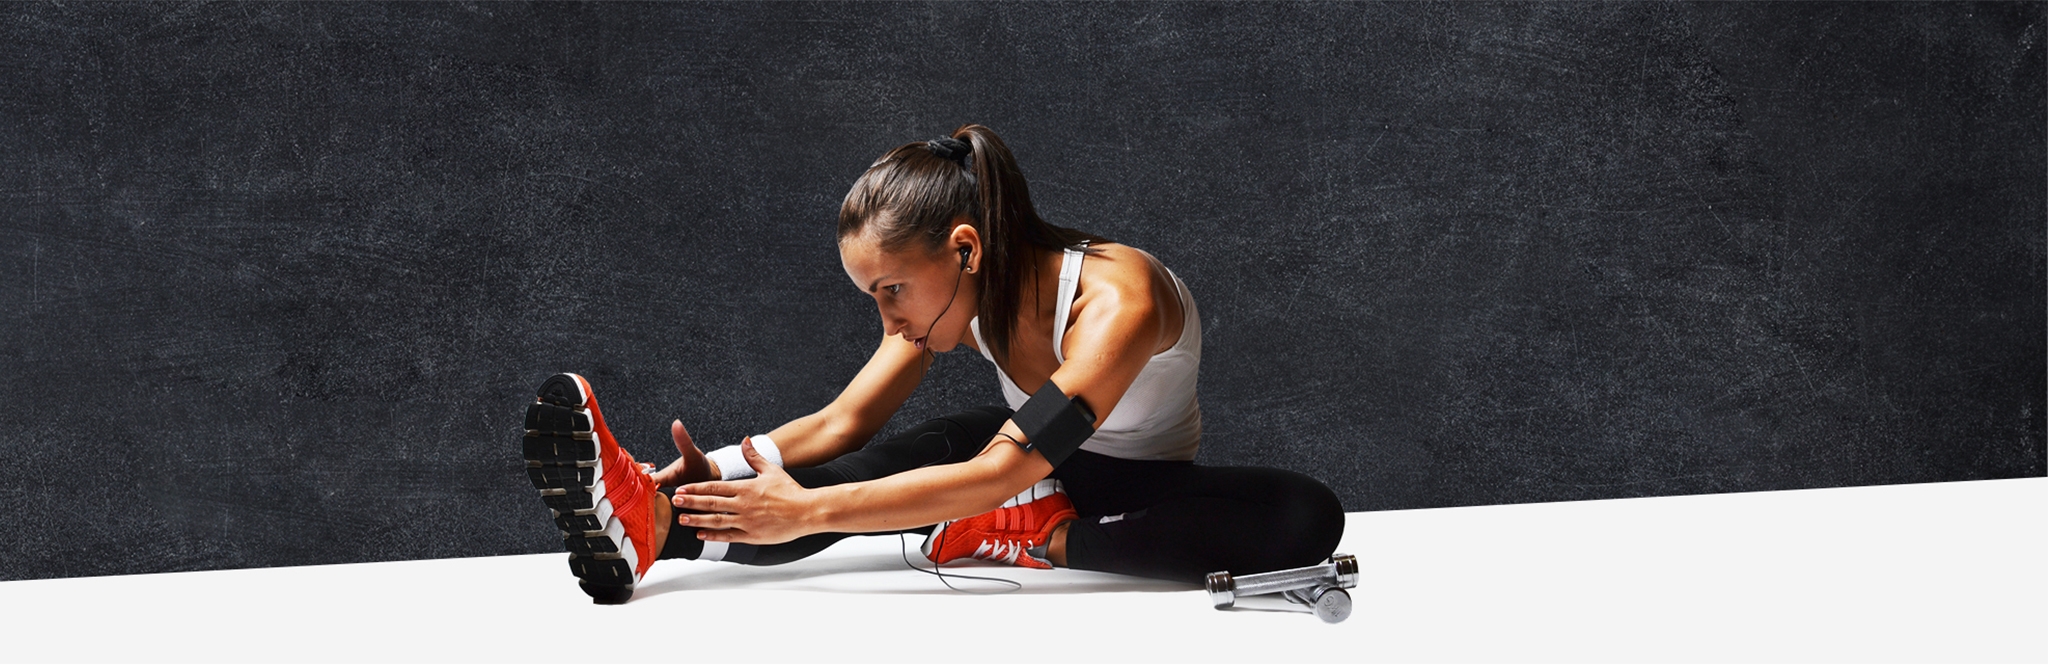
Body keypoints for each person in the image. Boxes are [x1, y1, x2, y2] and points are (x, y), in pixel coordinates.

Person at [520, 124, 1345, 604]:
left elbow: (1000, 472)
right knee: (886, 461)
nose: (889, 320)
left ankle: (1046, 539)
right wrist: (714, 472)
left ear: (965, 248)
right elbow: (846, 422)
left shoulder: (1117, 301)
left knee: (1305, 517)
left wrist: (809, 510)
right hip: (1016, 457)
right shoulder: (954, 297)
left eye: (891, 290)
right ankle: (653, 525)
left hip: (1132, 491)